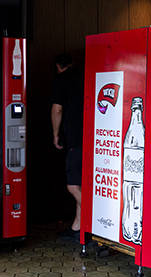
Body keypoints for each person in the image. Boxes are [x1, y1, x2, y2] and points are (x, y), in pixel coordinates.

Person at [50, 53, 83, 240]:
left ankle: (96, 221)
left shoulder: (61, 79)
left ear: (57, 66)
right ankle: (77, 227)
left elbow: (57, 109)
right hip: (89, 137)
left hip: (74, 138)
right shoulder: (84, 76)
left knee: (72, 186)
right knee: (80, 184)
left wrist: (55, 134)